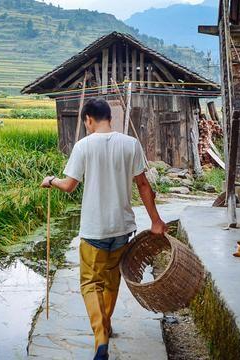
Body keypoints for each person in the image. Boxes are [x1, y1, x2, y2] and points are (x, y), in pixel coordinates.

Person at [41, 98, 167, 360]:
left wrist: (50, 180)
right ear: (109, 117)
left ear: (88, 119)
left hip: (94, 231)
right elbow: (144, 186)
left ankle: (100, 339)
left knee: (90, 284)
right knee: (111, 281)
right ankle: (106, 326)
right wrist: (156, 221)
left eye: (85, 122)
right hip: (122, 230)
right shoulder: (130, 144)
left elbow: (69, 185)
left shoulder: (84, 146)